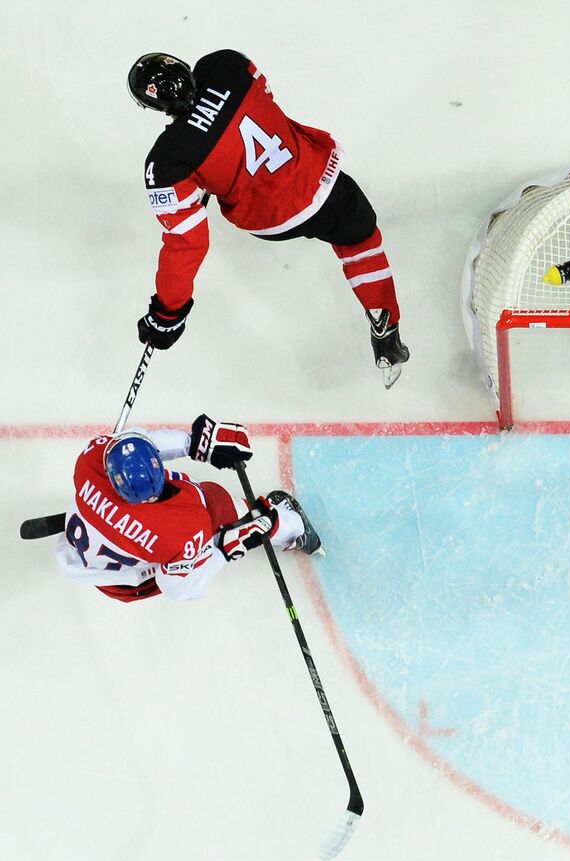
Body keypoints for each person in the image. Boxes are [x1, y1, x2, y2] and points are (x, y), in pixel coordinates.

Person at [127, 51, 410, 387]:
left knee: (338, 224)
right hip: (314, 178)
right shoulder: (226, 65)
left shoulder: (167, 161)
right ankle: (383, 319)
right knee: (358, 235)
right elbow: (265, 99)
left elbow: (188, 244)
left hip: (270, 221)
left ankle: (380, 313)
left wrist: (167, 313)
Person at [55, 415, 321, 603]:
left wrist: (194, 443)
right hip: (131, 583)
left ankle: (95, 522)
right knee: (217, 503)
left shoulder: (92, 461)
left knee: (186, 514)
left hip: (85, 557)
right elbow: (181, 589)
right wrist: (225, 549)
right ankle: (293, 529)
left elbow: (138, 441)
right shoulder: (177, 529)